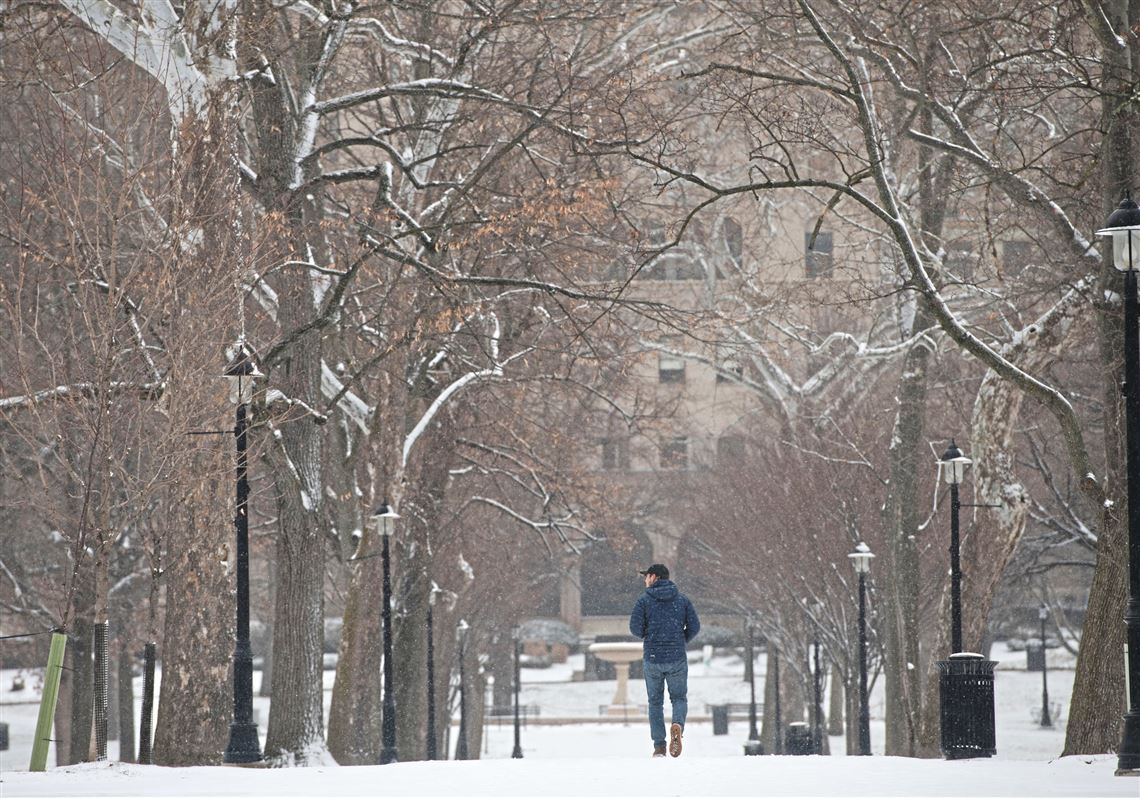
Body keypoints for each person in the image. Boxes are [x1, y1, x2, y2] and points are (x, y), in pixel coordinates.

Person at [629, 563, 700, 758]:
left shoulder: (643, 601)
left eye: (646, 576)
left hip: (652, 658)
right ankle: (677, 725)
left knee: (655, 702)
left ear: (654, 577)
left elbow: (635, 628)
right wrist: (679, 639)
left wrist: (650, 635)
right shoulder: (682, 600)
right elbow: (694, 626)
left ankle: (659, 746)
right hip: (676, 657)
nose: (645, 580)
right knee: (678, 698)